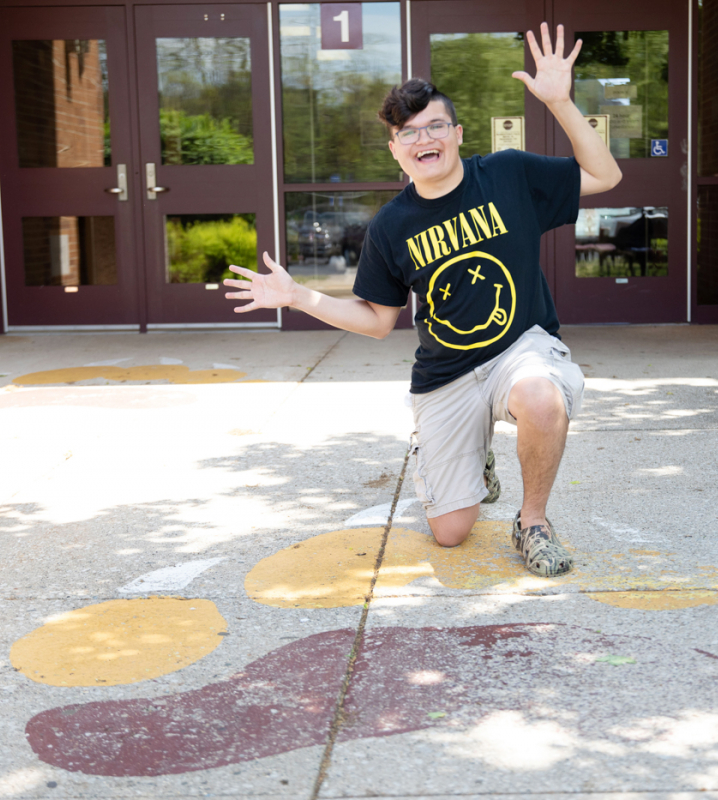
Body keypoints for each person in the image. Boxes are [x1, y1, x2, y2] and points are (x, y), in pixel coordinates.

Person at [224, 23, 622, 577]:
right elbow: (377, 320)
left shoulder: (507, 174)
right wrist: (299, 296)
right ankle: (472, 459)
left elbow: (605, 174)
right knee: (451, 533)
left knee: (540, 398)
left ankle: (533, 522)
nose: (423, 139)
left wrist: (559, 101)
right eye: (408, 133)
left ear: (456, 134)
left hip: (519, 347)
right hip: (446, 375)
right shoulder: (391, 226)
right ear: (395, 150)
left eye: (434, 125)